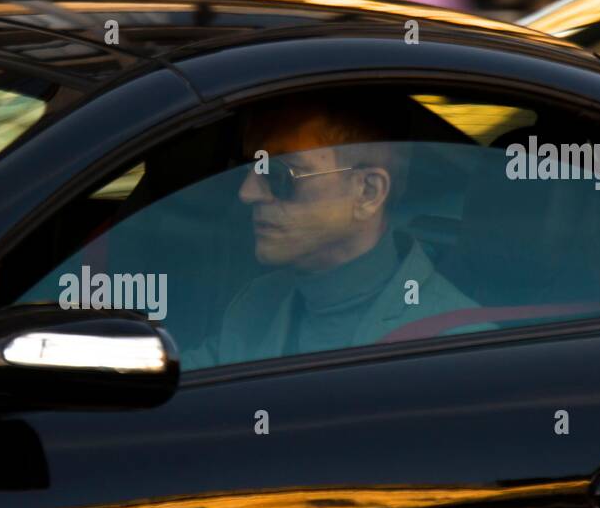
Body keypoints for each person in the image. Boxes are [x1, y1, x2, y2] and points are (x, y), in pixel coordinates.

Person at [187, 95, 482, 369]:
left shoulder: (456, 344)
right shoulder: (256, 304)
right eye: (249, 167)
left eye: (278, 174)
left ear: (367, 192)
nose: (247, 192)